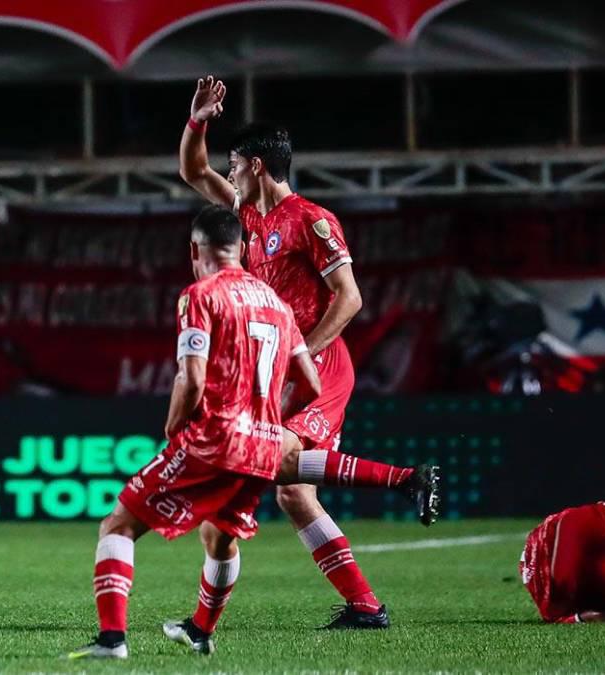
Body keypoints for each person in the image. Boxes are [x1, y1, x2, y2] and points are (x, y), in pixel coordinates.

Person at [178, 76, 440, 629]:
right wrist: (198, 121)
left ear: (255, 165)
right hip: (280, 366)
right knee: (295, 495)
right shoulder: (247, 214)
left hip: (319, 365)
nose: (228, 173)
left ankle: (405, 479)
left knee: (271, 462)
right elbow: (193, 172)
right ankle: (366, 607)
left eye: (233, 165)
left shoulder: (312, 220)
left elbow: (350, 296)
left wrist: (301, 352)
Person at [68, 206, 322, 659]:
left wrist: (174, 426)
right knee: (221, 537)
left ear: (194, 250)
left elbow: (192, 377)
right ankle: (201, 631)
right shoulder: (276, 302)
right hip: (262, 448)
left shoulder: (200, 295)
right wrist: (269, 420)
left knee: (119, 524)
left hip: (216, 439)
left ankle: (111, 640)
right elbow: (311, 383)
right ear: (242, 248)